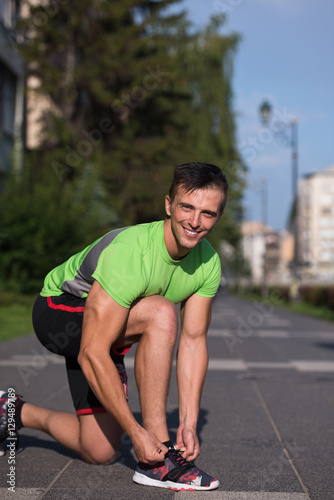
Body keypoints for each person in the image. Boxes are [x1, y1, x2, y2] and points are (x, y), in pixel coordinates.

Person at [0, 162, 228, 491]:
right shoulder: (131, 252)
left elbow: (193, 342)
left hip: (111, 327)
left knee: (100, 450)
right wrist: (139, 435)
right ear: (168, 205)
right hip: (58, 310)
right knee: (161, 313)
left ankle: (13, 411)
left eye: (207, 213)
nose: (194, 222)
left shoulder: (208, 263)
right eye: (186, 207)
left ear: (218, 216)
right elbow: (92, 351)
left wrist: (190, 423)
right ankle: (158, 463)